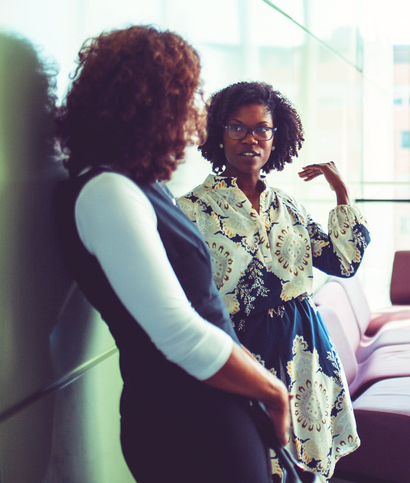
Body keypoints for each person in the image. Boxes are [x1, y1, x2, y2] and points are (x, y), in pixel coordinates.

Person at [55, 26, 290, 482]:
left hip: (208, 412)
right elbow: (181, 334)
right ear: (148, 106)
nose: (196, 113)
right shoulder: (107, 191)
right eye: (187, 98)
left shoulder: (137, 185)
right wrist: (274, 392)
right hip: (187, 426)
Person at [177, 81, 371, 480]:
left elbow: (344, 262)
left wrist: (342, 194)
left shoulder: (288, 205)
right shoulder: (191, 210)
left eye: (261, 129)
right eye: (237, 127)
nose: (251, 139)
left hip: (305, 352)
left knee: (309, 469)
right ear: (218, 134)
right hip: (244, 355)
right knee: (251, 466)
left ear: (274, 136)